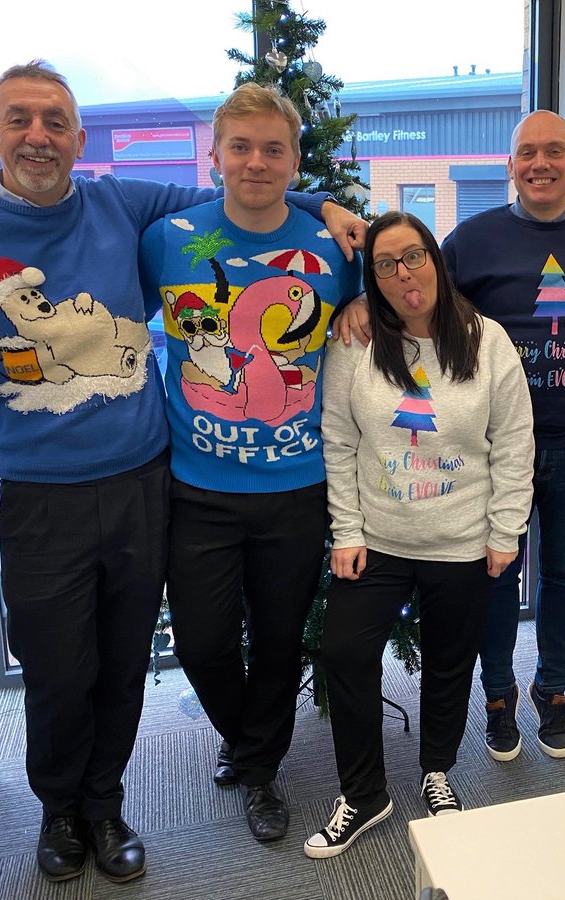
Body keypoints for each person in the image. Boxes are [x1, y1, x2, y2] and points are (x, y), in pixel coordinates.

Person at [0, 61, 363, 884]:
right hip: (39, 498)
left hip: (142, 482)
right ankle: (59, 810)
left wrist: (331, 206)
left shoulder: (124, 206)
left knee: (126, 661)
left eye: (55, 122)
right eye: (18, 120)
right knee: (60, 669)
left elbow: (246, 205)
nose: (38, 136)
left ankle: (105, 803)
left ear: (78, 139)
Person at [334, 111, 565, 764]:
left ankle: (552, 692)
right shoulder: (473, 239)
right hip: (486, 449)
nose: (540, 163)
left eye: (554, 152)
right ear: (510, 166)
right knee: (496, 575)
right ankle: (498, 697)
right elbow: (413, 292)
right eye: (527, 153)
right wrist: (359, 300)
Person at [138, 83, 362, 844]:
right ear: (216, 156)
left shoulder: (334, 246)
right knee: (201, 641)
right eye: (241, 147)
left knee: (277, 636)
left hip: (298, 488)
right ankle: (247, 738)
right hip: (198, 487)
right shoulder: (172, 238)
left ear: (296, 159)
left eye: (274, 149)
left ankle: (258, 770)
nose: (257, 162)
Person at [305, 212, 533, 858]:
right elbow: (340, 438)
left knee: (449, 662)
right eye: (385, 264)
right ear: (372, 279)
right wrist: (345, 532)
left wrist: (504, 533)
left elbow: (515, 443)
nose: (403, 273)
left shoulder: (486, 341)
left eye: (413, 257)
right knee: (347, 653)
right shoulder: (355, 342)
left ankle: (437, 771)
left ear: (435, 259)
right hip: (376, 540)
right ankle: (365, 792)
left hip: (463, 542)